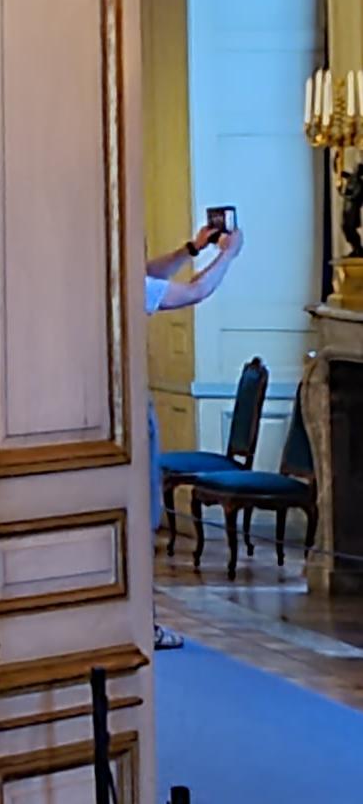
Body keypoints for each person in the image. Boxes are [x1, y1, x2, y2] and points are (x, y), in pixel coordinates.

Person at [143, 208, 243, 628]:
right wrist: (228, 255)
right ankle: (142, 621)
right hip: (130, 404)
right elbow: (195, 291)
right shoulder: (124, 282)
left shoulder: (101, 270)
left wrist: (192, 248)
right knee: (143, 512)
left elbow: (148, 272)